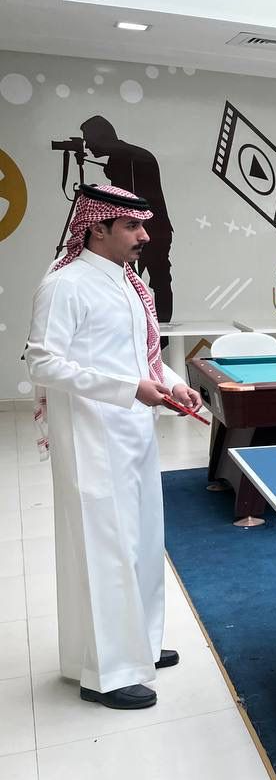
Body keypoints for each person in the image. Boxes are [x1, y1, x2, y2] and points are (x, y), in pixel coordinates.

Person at [26, 184, 202, 709]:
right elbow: (42, 362)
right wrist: (129, 389)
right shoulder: (65, 285)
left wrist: (172, 384)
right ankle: (105, 674)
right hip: (89, 436)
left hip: (134, 431)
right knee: (102, 548)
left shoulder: (129, 283)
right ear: (97, 228)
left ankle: (139, 645)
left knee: (142, 539)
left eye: (143, 225)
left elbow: (142, 358)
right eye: (131, 226)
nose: (143, 235)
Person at [80, 116, 176, 323]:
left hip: (142, 229)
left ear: (100, 136)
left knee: (140, 279)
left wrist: (98, 194)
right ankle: (161, 330)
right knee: (159, 278)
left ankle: (154, 330)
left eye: (88, 139)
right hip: (154, 228)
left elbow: (126, 200)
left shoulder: (124, 158)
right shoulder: (128, 155)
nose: (87, 146)